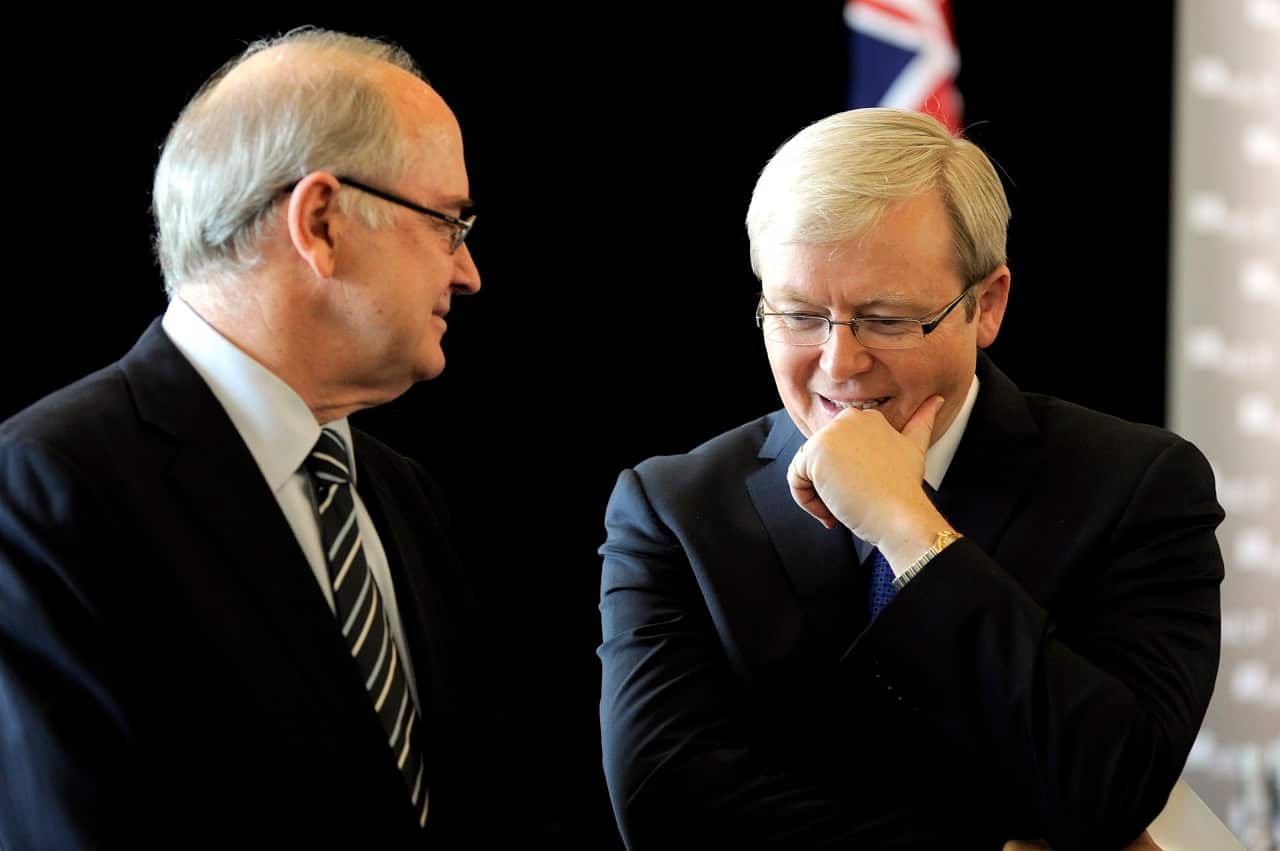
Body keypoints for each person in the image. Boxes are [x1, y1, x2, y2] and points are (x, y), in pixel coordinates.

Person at [598, 108, 1224, 850]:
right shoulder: (671, 506)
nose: (838, 364)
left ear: (986, 304)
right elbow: (665, 803)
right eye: (798, 315)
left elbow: (1112, 783)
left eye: (887, 319)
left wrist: (909, 530)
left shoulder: (1140, 486)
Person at [0, 27, 508, 850]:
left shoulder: (401, 493)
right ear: (321, 221)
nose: (468, 270)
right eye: (450, 221)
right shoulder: (47, 487)